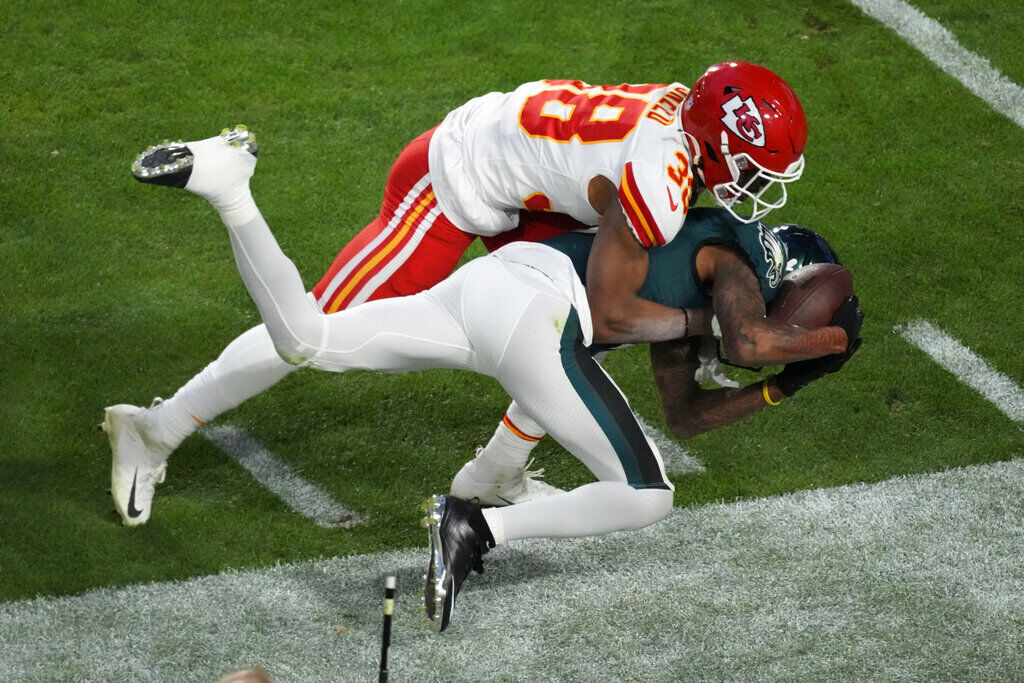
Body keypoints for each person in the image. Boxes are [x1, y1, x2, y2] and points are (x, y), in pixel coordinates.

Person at [124, 128, 861, 630]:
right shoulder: (729, 255)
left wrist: (778, 389)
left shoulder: (694, 260)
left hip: (494, 287)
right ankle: (476, 521)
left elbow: (687, 414)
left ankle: (231, 192)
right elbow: (748, 334)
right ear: (780, 271)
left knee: (308, 338)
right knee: (645, 496)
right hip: (539, 317)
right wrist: (822, 344)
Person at [105, 61, 809, 526]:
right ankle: (154, 426)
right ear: (719, 141)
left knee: (582, 324)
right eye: (753, 163)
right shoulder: (659, 177)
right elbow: (618, 301)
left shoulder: (675, 112)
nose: (757, 183)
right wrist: (703, 328)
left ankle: (497, 472)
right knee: (314, 329)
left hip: (525, 179)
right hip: (458, 179)